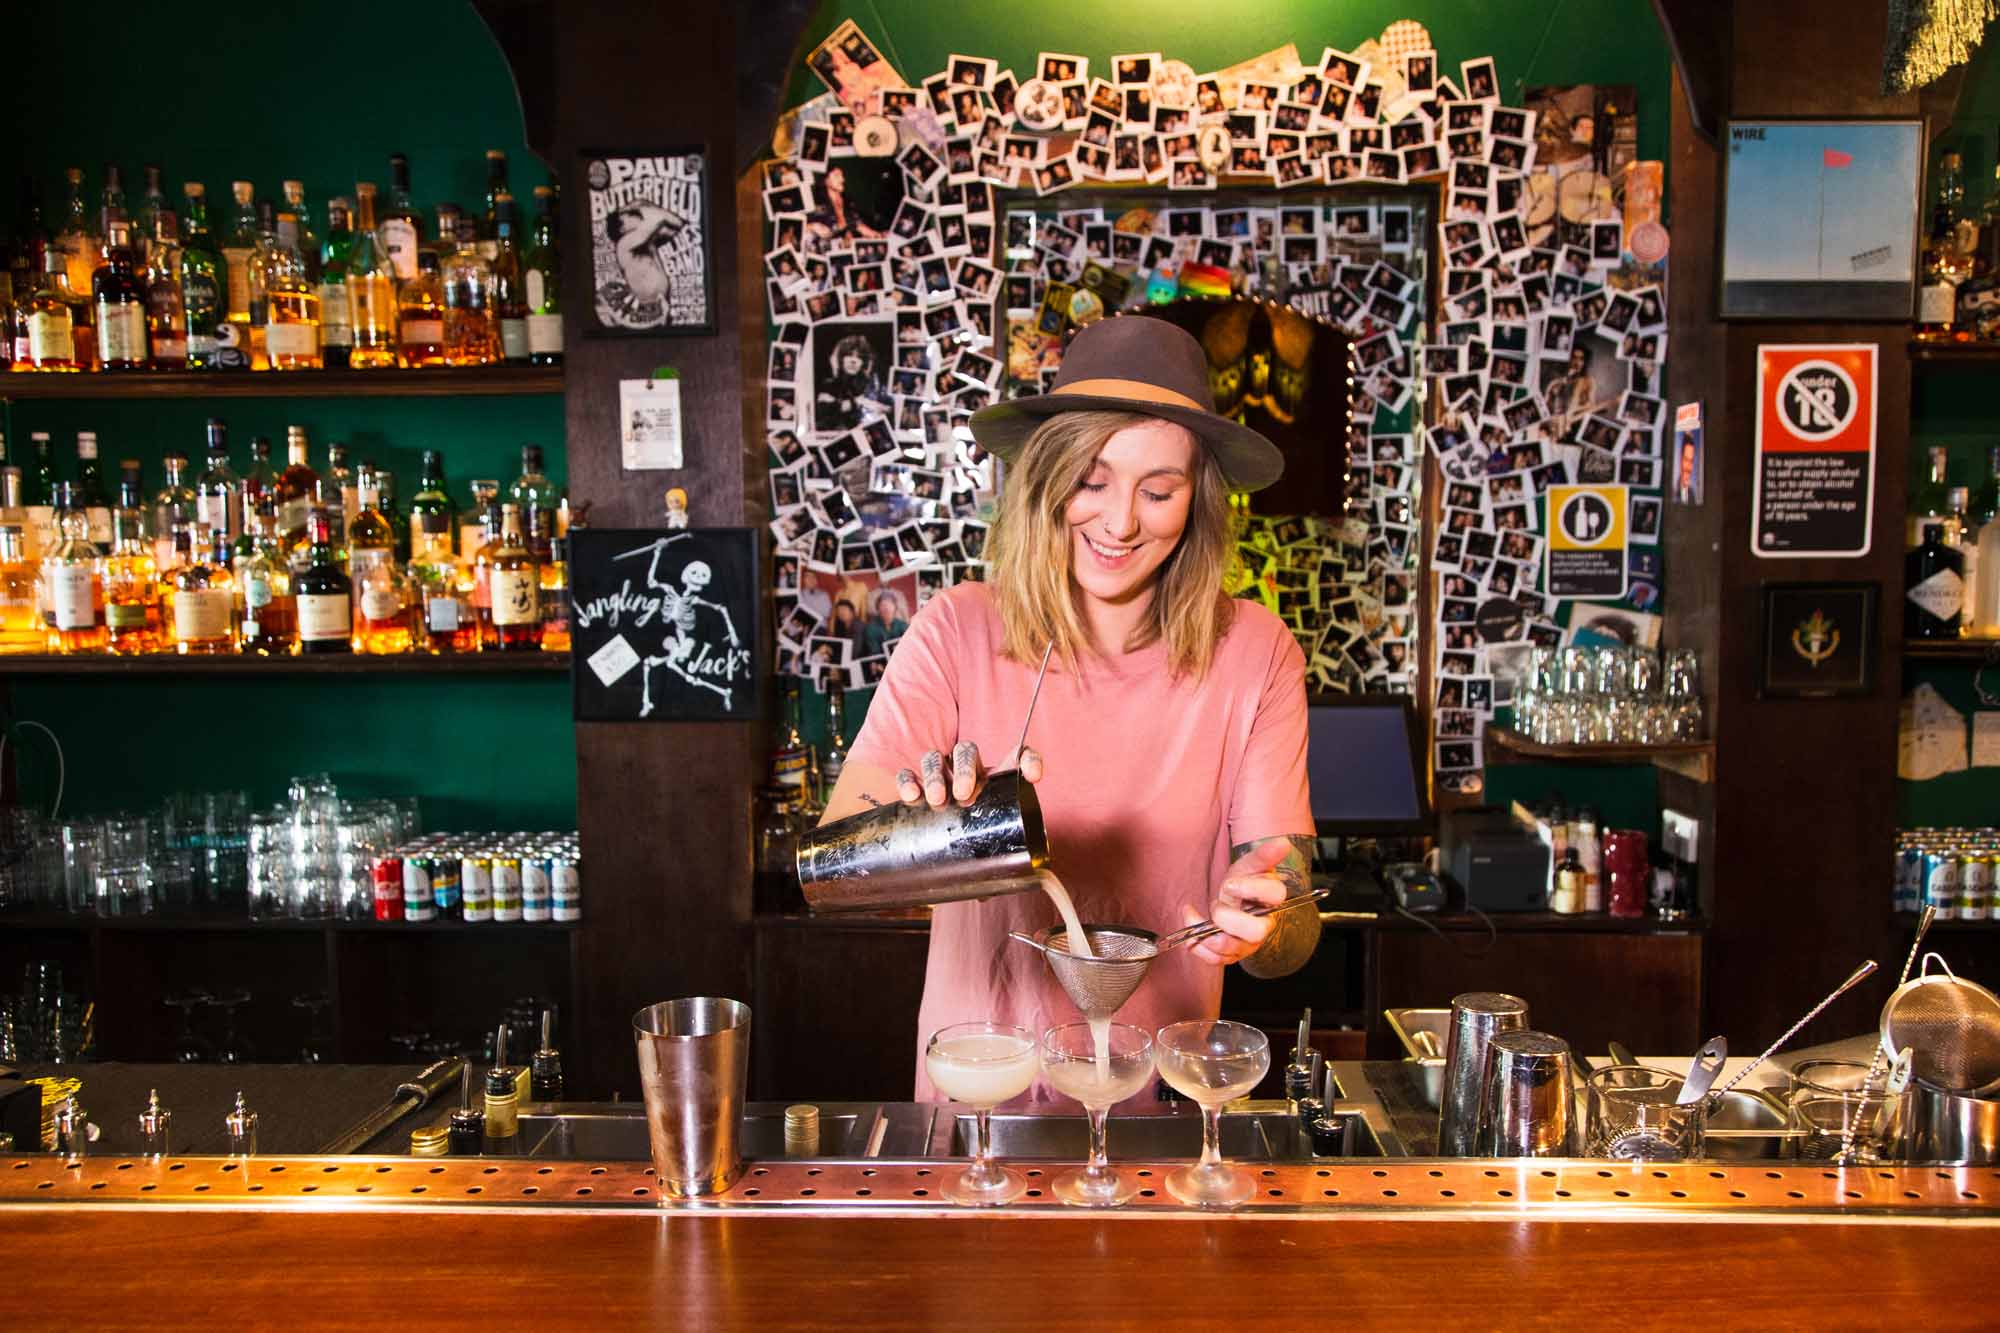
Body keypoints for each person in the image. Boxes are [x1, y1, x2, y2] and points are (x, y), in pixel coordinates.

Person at [820, 317, 1318, 1105]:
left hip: (1160, 1104)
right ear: (1048, 477)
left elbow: (1290, 911)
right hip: (978, 1099)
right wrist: (943, 824)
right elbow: (837, 860)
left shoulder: (1256, 652)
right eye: (1092, 479)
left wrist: (1271, 912)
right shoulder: (958, 630)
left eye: (1159, 491)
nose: (1120, 522)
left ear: (1198, 500)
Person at [857, 588, 908, 657]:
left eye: (890, 604)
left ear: (895, 607)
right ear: (878, 609)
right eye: (883, 605)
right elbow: (874, 652)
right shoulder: (871, 628)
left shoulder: (903, 625)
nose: (886, 608)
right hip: (880, 660)